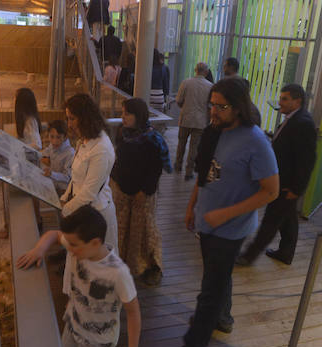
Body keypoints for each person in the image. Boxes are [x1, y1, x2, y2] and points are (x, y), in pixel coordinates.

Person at [170, 78, 279, 347]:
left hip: (230, 229)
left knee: (209, 290)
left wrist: (227, 214)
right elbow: (205, 175)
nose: (214, 111)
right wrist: (192, 206)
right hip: (207, 222)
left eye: (221, 106)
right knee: (214, 279)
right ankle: (220, 316)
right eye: (212, 105)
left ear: (238, 107)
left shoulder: (257, 142)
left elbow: (271, 191)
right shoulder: (213, 132)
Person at [17, 205, 141, 347]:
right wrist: (39, 250)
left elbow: (133, 312)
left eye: (74, 245)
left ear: (95, 243)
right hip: (72, 328)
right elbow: (54, 234)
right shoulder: (80, 246)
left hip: (99, 345)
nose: (69, 249)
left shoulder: (118, 273)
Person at [236, 83, 316, 265]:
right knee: (287, 219)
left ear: (297, 101)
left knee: (271, 220)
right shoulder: (293, 119)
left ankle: (249, 256)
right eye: (281, 98)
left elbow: (306, 161)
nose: (280, 102)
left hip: (287, 183)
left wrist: (296, 189)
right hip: (283, 180)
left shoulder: (303, 123)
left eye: (285, 99)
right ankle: (286, 253)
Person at [110, 98, 172, 286]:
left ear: (139, 116)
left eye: (127, 113)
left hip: (142, 194)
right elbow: (119, 159)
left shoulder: (152, 139)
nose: (123, 117)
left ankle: (151, 266)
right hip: (122, 190)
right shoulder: (123, 133)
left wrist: (144, 191)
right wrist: (115, 180)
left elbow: (154, 170)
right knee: (122, 227)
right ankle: (125, 263)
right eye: (122, 113)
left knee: (144, 230)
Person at [62, 93, 119, 250]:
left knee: (99, 267)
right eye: (68, 118)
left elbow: (89, 194)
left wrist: (65, 209)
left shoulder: (101, 148)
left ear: (85, 117)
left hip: (98, 215)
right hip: (82, 211)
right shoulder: (85, 140)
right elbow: (76, 178)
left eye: (72, 118)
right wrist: (65, 197)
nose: (69, 124)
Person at [174, 62, 213, 181]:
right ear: (206, 72)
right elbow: (210, 106)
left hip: (186, 118)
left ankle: (178, 165)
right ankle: (189, 172)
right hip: (200, 122)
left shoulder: (186, 82)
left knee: (181, 143)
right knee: (194, 147)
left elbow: (179, 100)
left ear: (195, 70)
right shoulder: (210, 86)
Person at [41, 119, 75, 196]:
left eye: (58, 137)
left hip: (63, 190)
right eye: (51, 136)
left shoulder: (70, 153)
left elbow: (68, 177)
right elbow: (48, 150)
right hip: (53, 184)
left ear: (65, 137)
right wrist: (45, 156)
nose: (54, 141)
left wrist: (51, 174)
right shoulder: (52, 145)